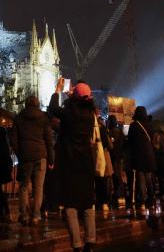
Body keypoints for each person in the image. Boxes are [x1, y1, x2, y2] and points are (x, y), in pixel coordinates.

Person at [48, 78, 96, 252]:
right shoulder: (90, 115)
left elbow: (53, 109)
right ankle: (90, 241)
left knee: (70, 204)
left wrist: (58, 90)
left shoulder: (70, 112)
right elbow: (77, 107)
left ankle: (77, 244)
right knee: (87, 202)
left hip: (70, 162)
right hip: (86, 163)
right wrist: (73, 97)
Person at [10, 96, 54, 226]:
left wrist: (20, 153)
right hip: (41, 156)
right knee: (38, 188)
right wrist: (51, 159)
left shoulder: (18, 118)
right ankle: (35, 216)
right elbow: (49, 141)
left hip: (25, 157)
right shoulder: (44, 118)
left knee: (23, 187)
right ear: (37, 104)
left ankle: (24, 215)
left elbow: (13, 140)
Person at [127, 106, 156, 210]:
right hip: (149, 155)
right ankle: (152, 199)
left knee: (141, 179)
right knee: (149, 178)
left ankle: (143, 201)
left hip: (138, 155)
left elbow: (130, 141)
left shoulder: (133, 125)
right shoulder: (150, 125)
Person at [151, 119, 164, 201]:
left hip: (159, 159)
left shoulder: (155, 135)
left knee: (160, 177)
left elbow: (154, 146)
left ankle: (162, 192)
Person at [107, 115, 124, 208]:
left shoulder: (113, 131)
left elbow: (113, 144)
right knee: (118, 174)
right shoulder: (118, 130)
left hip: (115, 156)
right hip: (119, 155)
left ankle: (118, 192)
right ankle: (119, 191)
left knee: (117, 174)